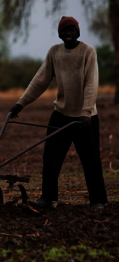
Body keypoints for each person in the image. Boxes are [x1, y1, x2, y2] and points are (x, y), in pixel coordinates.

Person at [9, 16, 107, 209]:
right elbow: (40, 80)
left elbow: (91, 84)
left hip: (85, 118)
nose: (68, 33)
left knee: (91, 159)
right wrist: (21, 104)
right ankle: (47, 198)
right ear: (59, 34)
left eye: (72, 30)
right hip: (61, 114)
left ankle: (97, 200)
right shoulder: (55, 53)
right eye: (64, 30)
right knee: (51, 157)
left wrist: (86, 112)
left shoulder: (88, 52)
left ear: (78, 32)